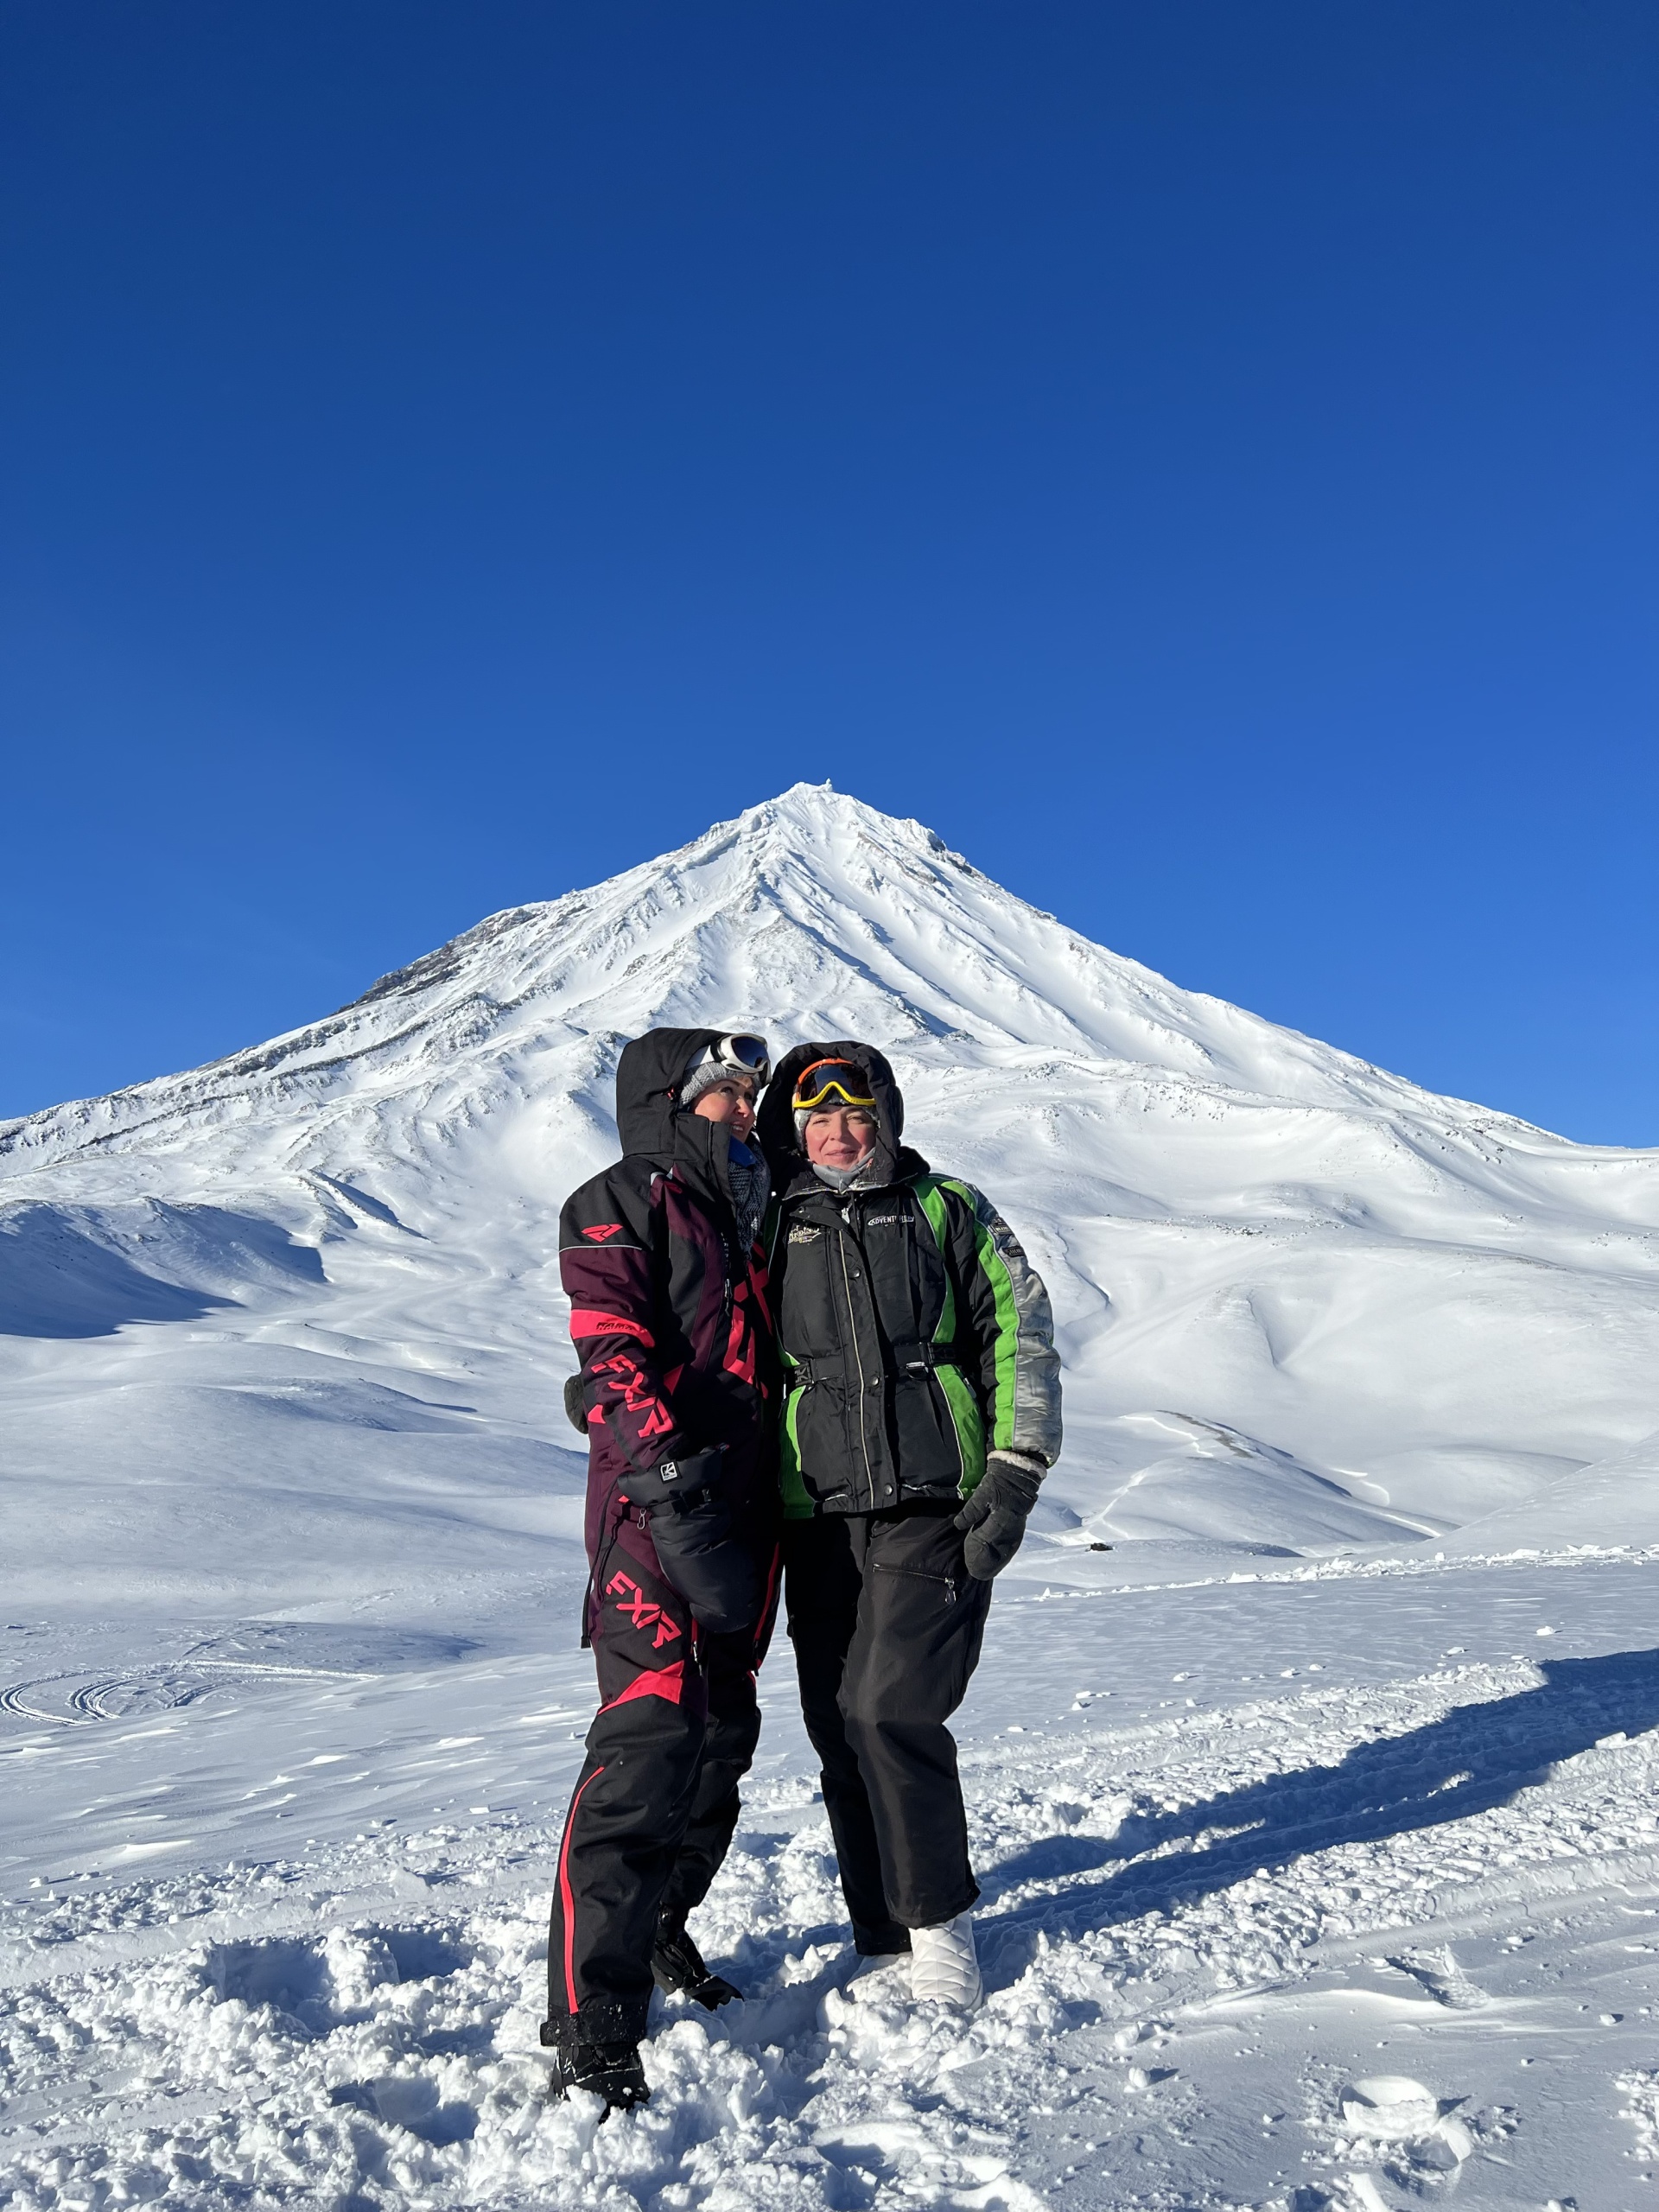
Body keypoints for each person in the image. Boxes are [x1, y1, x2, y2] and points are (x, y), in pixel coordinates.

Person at [756, 1043, 1062, 2011]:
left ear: (886, 1118)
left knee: (892, 1710)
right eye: (819, 1120)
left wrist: (1015, 1471)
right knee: (837, 1724)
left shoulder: (949, 1209)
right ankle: (880, 1931)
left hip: (933, 1501)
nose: (840, 1134)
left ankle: (939, 1927)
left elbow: (1020, 1331)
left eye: (857, 1115)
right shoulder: (770, 1224)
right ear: (796, 1133)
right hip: (813, 1511)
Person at [543, 1027, 781, 2113]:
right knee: (646, 1744)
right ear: (676, 1100)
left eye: (750, 1092)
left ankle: (662, 1927)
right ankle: (590, 2016)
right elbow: (613, 1351)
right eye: (731, 1091)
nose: (748, 1107)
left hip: (754, 1511)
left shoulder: (760, 1202)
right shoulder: (618, 1198)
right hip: (656, 1515)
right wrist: (669, 1484)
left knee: (724, 1739)